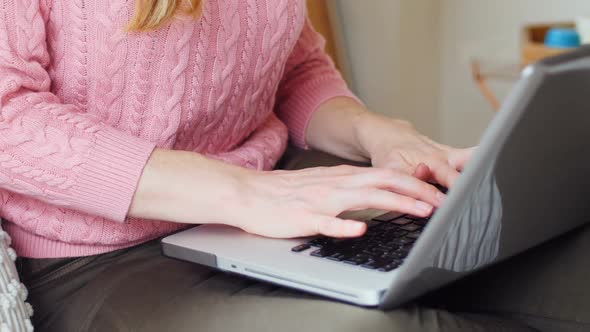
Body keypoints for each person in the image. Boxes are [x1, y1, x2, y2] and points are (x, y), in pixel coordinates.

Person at [0, 1, 586, 331]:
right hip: (97, 257)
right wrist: (244, 193)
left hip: (269, 202)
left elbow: (293, 66)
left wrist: (378, 134)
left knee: (568, 261)